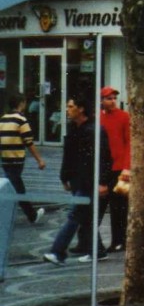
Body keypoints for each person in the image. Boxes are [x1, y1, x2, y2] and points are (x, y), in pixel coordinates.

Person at [43, 97, 113, 265]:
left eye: (70, 106)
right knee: (86, 217)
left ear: (81, 109)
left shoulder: (95, 130)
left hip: (89, 181)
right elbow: (69, 155)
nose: (67, 109)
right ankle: (98, 251)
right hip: (77, 179)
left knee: (74, 215)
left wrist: (103, 182)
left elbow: (105, 158)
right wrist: (64, 176)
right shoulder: (74, 128)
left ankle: (57, 252)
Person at [0, 92, 47, 225]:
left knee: (14, 187)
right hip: (17, 159)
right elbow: (29, 142)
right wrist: (39, 160)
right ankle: (32, 215)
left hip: (5, 159)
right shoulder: (21, 119)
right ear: (21, 104)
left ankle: (30, 215)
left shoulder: (3, 119)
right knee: (17, 188)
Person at [98, 86, 131, 252]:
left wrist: (126, 167)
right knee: (99, 206)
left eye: (113, 98)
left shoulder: (124, 117)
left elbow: (129, 143)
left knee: (119, 208)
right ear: (102, 101)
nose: (112, 101)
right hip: (103, 167)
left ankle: (119, 241)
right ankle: (89, 241)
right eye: (108, 98)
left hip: (118, 168)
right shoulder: (97, 118)